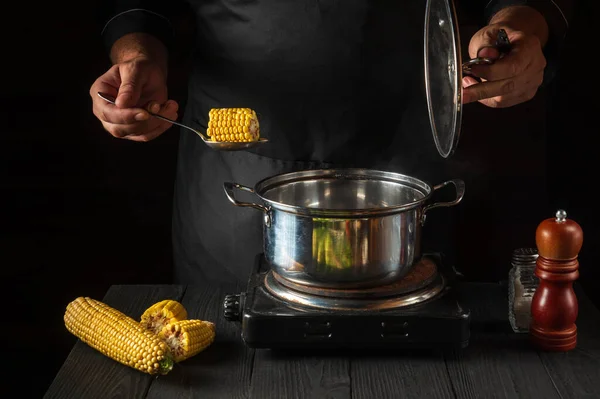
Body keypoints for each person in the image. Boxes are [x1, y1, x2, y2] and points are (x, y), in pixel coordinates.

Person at [91, 1, 574, 284]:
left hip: (419, 159)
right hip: (241, 175)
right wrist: (138, 55)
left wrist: (522, 27)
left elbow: (529, 10)